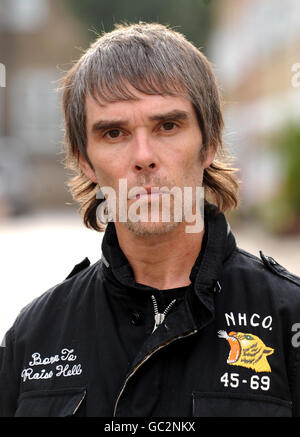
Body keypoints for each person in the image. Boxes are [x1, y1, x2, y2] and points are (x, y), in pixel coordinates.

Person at [0, 22, 299, 418]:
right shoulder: (33, 335)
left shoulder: (289, 319)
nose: (144, 156)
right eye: (114, 133)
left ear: (208, 143)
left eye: (168, 126)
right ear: (85, 160)